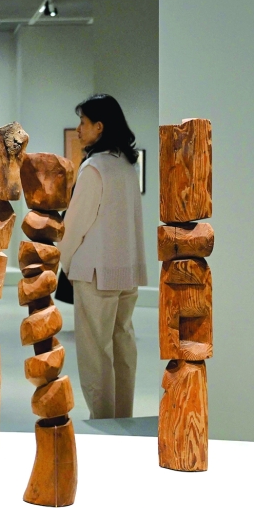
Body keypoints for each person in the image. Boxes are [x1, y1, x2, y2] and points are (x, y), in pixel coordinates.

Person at [56, 94, 147, 420]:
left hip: (95, 272)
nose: (79, 129)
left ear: (99, 126)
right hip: (125, 270)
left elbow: (75, 223)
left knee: (95, 352)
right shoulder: (126, 165)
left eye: (83, 123)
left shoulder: (94, 168)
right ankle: (123, 416)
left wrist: (62, 262)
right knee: (123, 344)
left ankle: (104, 421)